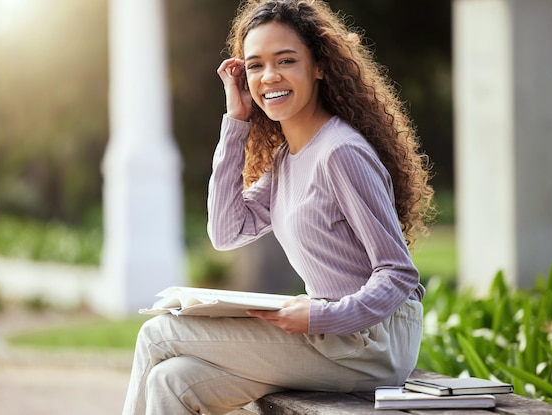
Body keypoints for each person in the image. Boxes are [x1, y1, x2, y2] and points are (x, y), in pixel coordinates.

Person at [122, 1, 435, 414]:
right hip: (333, 338)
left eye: (285, 60)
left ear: (319, 66)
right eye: (255, 66)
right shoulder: (288, 159)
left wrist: (320, 317)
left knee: (157, 334)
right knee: (172, 380)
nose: (269, 76)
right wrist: (236, 122)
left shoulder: (339, 153)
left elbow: (398, 275)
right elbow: (226, 232)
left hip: (371, 343)